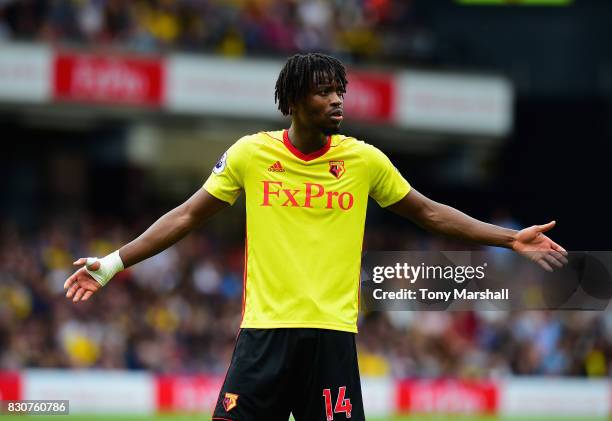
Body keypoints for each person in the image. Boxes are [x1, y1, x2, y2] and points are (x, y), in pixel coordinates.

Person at [63, 53, 567, 420]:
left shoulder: (364, 160)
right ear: (294, 99)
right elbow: (186, 216)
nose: (336, 100)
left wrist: (509, 239)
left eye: (339, 91)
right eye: (324, 91)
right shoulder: (250, 155)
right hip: (266, 333)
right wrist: (111, 264)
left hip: (332, 337)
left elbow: (429, 213)